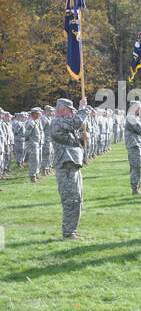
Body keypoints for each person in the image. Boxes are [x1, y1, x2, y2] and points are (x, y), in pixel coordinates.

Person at [50, 97, 88, 240]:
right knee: (70, 200)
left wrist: (82, 138)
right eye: (71, 111)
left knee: (77, 199)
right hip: (66, 165)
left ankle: (72, 231)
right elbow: (77, 122)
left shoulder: (64, 123)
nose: (73, 113)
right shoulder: (58, 122)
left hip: (72, 164)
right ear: (63, 109)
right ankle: (68, 233)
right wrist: (83, 108)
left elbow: (72, 142)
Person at [124, 100, 141, 195]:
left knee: (140, 167)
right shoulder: (131, 117)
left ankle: (137, 187)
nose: (140, 109)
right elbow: (140, 129)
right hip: (133, 145)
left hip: (137, 144)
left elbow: (139, 132)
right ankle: (135, 189)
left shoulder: (134, 117)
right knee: (136, 167)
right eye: (139, 107)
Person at [25, 107, 43, 183]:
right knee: (33, 160)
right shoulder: (31, 122)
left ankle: (36, 173)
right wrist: (30, 142)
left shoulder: (37, 121)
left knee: (37, 159)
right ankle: (32, 176)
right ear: (33, 114)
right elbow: (26, 134)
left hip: (37, 143)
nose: (39, 114)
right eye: (37, 113)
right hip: (33, 144)